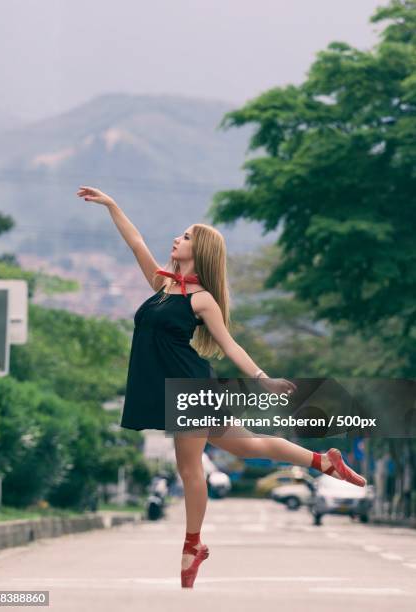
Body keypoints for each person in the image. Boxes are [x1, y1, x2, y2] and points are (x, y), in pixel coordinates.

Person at [76, 186, 368, 588]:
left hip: (189, 387)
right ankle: (323, 462)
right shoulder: (162, 287)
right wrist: (112, 205)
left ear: (199, 252)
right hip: (174, 386)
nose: (177, 239)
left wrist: (262, 380)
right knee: (248, 444)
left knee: (189, 468)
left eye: (186, 236)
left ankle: (193, 545)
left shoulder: (201, 299)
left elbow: (230, 345)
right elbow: (136, 241)